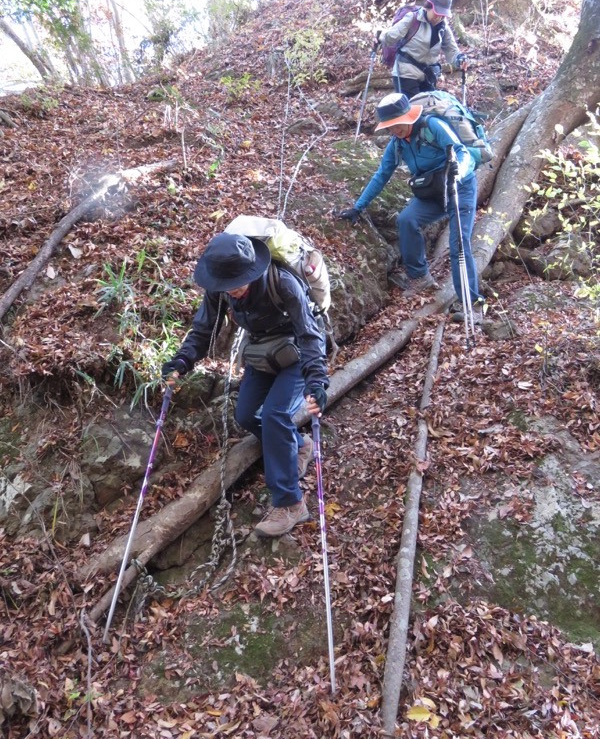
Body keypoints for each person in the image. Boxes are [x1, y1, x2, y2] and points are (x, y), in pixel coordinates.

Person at [162, 232, 329, 538]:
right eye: (228, 285)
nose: (233, 291)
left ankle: (292, 503)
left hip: (297, 354)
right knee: (245, 415)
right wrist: (182, 361)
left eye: (239, 282)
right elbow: (203, 330)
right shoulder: (221, 288)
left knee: (274, 415)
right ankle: (300, 445)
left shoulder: (284, 283)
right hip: (262, 352)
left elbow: (310, 335)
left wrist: (316, 380)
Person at [338, 93, 484, 322]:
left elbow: (462, 152)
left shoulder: (432, 126)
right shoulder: (397, 145)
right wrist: (358, 207)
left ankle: (472, 304)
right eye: (391, 126)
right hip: (432, 193)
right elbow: (381, 175)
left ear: (409, 116)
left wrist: (459, 173)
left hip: (459, 189)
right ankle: (420, 277)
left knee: (459, 246)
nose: (396, 130)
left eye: (398, 124)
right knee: (407, 220)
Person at [378, 0, 467, 98]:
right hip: (405, 74)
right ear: (427, 7)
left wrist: (459, 58)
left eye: (443, 15)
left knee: (428, 110)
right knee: (413, 111)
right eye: (437, 12)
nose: (439, 17)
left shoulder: (443, 26)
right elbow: (391, 36)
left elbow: (451, 49)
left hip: (428, 75)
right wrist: (379, 38)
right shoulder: (413, 18)